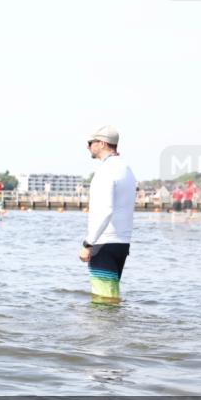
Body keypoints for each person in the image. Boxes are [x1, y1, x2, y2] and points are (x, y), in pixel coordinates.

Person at [79, 126, 136, 302]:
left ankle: (102, 331)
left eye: (90, 143)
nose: (87, 147)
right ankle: (116, 330)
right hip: (122, 243)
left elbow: (105, 211)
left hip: (104, 243)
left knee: (103, 302)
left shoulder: (106, 171)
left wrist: (88, 243)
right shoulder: (126, 169)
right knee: (111, 298)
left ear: (102, 143)